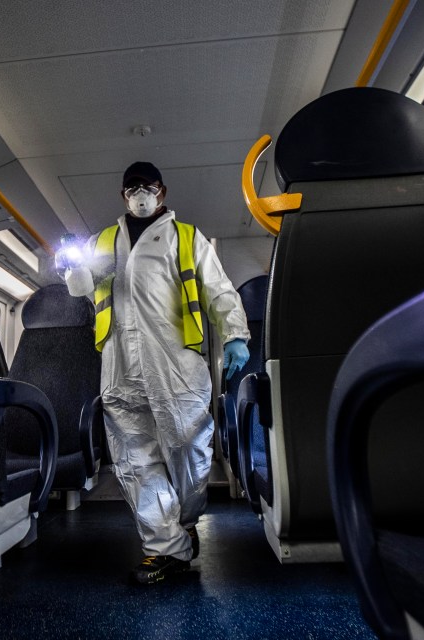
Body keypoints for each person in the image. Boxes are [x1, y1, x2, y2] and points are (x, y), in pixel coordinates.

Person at [58, 161, 250, 584]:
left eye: (148, 187)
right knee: (133, 457)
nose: (140, 193)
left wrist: (235, 333)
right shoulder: (104, 241)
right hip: (120, 364)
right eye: (131, 188)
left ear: (162, 192)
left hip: (176, 362)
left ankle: (183, 523)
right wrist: (70, 267)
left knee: (188, 449)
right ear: (123, 194)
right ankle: (165, 547)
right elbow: (81, 286)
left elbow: (218, 288)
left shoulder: (186, 237)